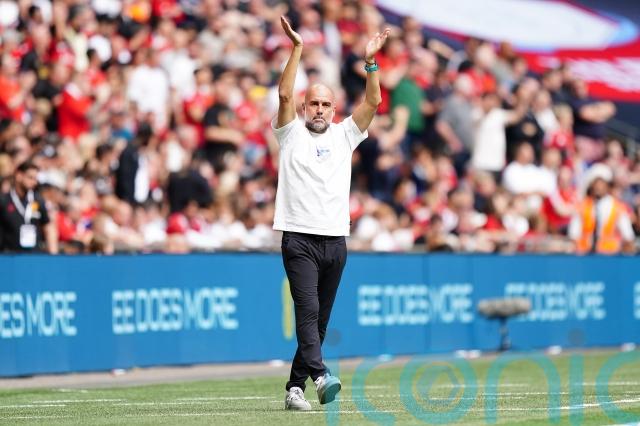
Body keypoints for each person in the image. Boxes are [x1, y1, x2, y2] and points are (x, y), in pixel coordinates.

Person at [272, 16, 389, 410]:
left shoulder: (344, 134)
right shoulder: (291, 133)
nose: (319, 110)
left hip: (336, 239)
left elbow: (373, 102)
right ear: (305, 107)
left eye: (325, 104)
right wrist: (297, 49)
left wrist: (370, 63)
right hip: (299, 237)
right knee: (308, 312)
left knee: (319, 322)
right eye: (313, 104)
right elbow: (284, 95)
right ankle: (321, 375)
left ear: (334, 109)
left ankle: (294, 388)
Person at [569, 164, 635, 254]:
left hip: (611, 255)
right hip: (585, 254)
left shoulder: (617, 207)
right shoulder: (582, 206)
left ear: (608, 185)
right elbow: (573, 235)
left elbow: (628, 236)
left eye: (601, 183)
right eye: (596, 183)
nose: (598, 187)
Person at [0, 160, 58, 253]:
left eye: (35, 179)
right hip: (9, 255)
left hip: (33, 255)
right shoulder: (4, 200)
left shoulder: (38, 200)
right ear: (19, 176)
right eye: (30, 178)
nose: (34, 182)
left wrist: (53, 254)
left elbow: (48, 227)